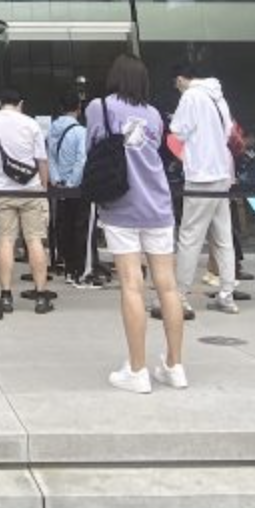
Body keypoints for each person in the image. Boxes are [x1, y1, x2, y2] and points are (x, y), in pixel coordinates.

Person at [86, 54, 186, 393]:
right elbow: (153, 150)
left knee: (132, 284)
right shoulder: (154, 114)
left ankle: (138, 369)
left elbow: (94, 147)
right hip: (158, 204)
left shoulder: (100, 107)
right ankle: (174, 366)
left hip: (122, 205)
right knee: (168, 286)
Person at [0, 87, 54, 315]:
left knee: (6, 241)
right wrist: (44, 188)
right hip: (31, 190)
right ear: (20, 103)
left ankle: (6, 296)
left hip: (2, 191)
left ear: (0, 102)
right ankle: (41, 296)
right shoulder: (31, 124)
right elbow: (41, 160)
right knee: (35, 241)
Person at [169, 65, 238, 315]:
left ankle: (179, 295)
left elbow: (178, 130)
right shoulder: (218, 96)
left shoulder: (191, 96)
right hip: (222, 173)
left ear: (180, 78)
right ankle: (227, 293)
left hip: (200, 174)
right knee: (223, 238)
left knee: (190, 236)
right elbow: (228, 131)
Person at [48, 92, 94, 289]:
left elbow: (50, 157)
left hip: (59, 186)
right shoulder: (80, 132)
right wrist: (72, 182)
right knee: (79, 227)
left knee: (63, 226)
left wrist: (56, 179)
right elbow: (81, 159)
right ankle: (78, 270)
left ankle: (67, 266)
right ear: (78, 108)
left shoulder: (52, 130)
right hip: (76, 187)